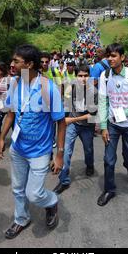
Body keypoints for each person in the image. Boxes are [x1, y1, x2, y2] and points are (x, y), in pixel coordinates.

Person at [0, 45, 66, 239]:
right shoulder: (15, 84)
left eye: (16, 61)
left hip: (40, 151)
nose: (11, 64)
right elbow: (11, 113)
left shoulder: (48, 88)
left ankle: (51, 202)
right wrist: (2, 138)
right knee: (18, 189)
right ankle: (21, 218)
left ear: (29, 64)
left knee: (34, 194)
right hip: (18, 148)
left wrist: (59, 154)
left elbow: (61, 122)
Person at [98, 44, 128, 206]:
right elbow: (103, 102)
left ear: (122, 57)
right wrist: (104, 127)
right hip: (112, 125)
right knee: (108, 159)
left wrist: (124, 113)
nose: (110, 59)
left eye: (113, 56)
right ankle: (109, 189)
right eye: (108, 56)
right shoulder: (105, 76)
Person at [53, 65, 98, 194]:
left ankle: (90, 165)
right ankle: (64, 181)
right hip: (73, 125)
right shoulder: (71, 89)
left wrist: (71, 120)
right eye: (80, 76)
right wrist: (63, 121)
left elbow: (92, 115)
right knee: (66, 152)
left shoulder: (94, 92)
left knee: (88, 150)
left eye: (86, 76)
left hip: (87, 127)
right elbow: (66, 106)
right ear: (76, 77)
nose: (83, 79)